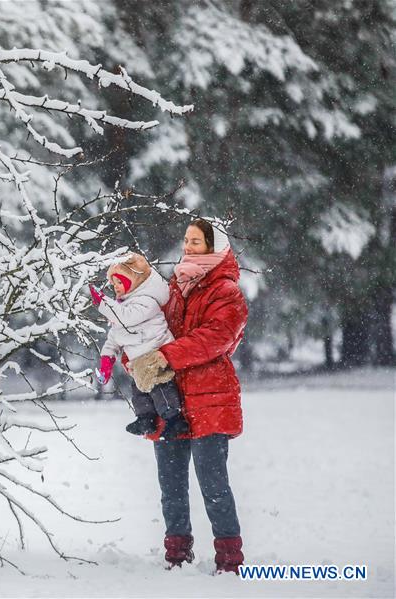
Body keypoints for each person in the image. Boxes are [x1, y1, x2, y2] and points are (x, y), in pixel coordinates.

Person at [129, 218, 249, 574]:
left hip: (210, 400)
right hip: (169, 401)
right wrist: (135, 359)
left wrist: (163, 357)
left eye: (196, 241)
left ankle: (229, 560)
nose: (188, 247)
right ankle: (176, 556)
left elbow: (216, 337)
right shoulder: (173, 288)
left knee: (214, 486)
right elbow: (146, 331)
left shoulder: (226, 291)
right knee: (171, 487)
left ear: (215, 247)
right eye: (186, 240)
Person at [89, 257, 190, 440]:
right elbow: (114, 337)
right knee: (139, 391)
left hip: (156, 356)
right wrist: (106, 361)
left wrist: (103, 302)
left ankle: (174, 419)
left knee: (160, 388)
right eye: (114, 284)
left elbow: (127, 318)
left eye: (121, 282)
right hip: (139, 363)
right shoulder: (121, 309)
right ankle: (146, 418)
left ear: (135, 280)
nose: (116, 287)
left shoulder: (147, 302)